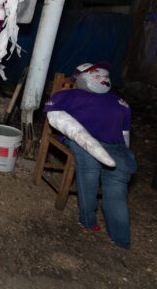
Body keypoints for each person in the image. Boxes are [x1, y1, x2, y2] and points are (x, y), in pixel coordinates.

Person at [43, 62, 137, 249]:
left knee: (117, 185)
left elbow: (125, 134)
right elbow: (56, 116)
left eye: (106, 75)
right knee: (89, 169)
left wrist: (124, 153)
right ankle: (88, 219)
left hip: (116, 146)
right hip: (83, 140)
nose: (103, 78)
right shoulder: (68, 95)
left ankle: (120, 238)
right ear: (79, 78)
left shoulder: (120, 102)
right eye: (96, 74)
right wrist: (86, 140)